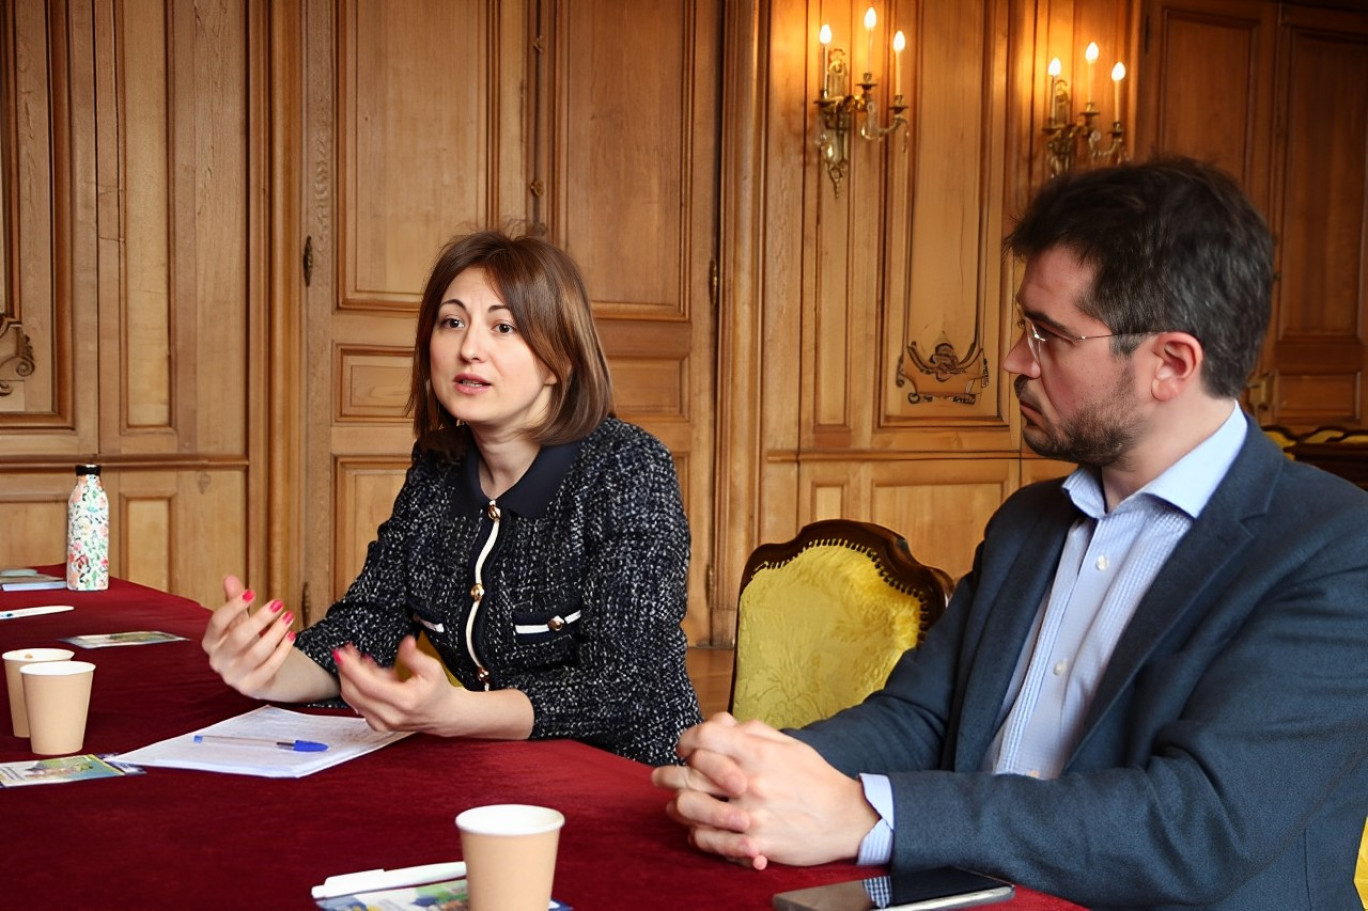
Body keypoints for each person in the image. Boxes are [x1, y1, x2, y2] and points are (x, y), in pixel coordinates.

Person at [652, 158, 1368, 910]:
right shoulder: (1029, 521)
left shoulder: (1334, 549)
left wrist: (871, 814)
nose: (1016, 360)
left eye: (1049, 336)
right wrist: (765, 769)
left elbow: (1196, 824)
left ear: (1171, 363)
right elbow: (921, 717)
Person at [203, 230, 702, 766]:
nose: (470, 348)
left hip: (629, 779)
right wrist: (269, 670)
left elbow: (623, 686)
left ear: (560, 359)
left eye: (503, 326)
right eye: (452, 321)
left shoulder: (625, 467)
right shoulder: (437, 471)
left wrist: (460, 713)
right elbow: (366, 623)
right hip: (494, 772)